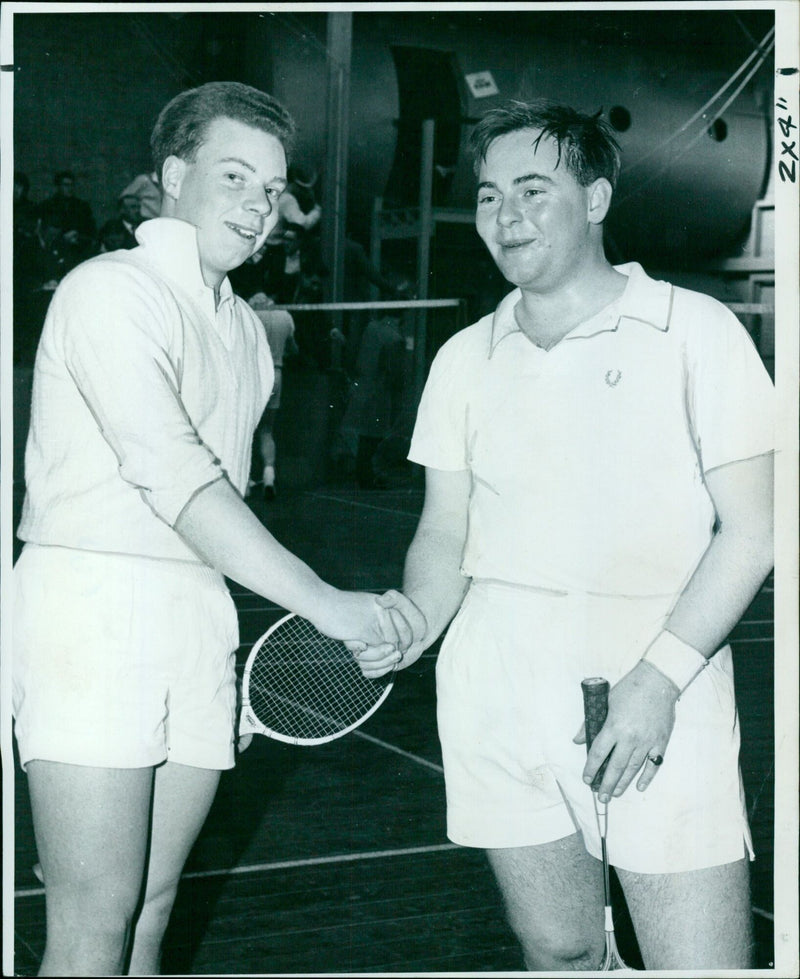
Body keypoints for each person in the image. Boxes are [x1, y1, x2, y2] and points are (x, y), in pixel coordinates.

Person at [12, 81, 425, 978]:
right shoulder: (105, 291)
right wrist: (326, 604)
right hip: (90, 609)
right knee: (93, 923)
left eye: (273, 190)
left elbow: (222, 506)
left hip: (196, 616)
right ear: (172, 176)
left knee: (153, 913)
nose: (258, 205)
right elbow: (177, 479)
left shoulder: (242, 329)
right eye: (234, 176)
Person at [355, 100, 774, 970]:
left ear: (595, 199)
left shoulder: (695, 330)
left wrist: (659, 681)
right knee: (560, 950)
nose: (505, 216)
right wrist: (415, 620)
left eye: (534, 189)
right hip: (493, 684)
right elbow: (445, 532)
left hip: (651, 677)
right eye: (487, 195)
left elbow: (755, 531)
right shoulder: (464, 356)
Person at [246, 292, 299, 499]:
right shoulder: (285, 316)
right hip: (276, 373)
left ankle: (245, 480)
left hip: (253, 373)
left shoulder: (248, 314)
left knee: (247, 429)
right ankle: (269, 476)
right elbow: (293, 349)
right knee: (267, 430)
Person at [36, 169, 97, 270]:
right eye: (66, 185)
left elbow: (91, 229)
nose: (70, 188)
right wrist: (62, 238)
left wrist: (77, 235)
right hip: (55, 251)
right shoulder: (47, 206)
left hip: (78, 250)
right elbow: (44, 232)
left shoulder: (82, 206)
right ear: (58, 186)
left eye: (72, 185)